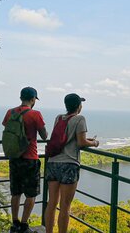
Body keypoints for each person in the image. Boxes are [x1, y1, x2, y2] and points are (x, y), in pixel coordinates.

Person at [44, 93, 99, 233]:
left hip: (52, 162)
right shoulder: (80, 119)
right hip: (69, 164)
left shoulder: (58, 118)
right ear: (78, 106)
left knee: (52, 203)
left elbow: (62, 137)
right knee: (65, 206)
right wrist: (94, 143)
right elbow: (81, 142)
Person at [2, 87, 48, 233]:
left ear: (21, 97)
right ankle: (23, 225)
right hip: (30, 159)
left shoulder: (11, 112)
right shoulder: (35, 114)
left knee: (16, 193)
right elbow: (44, 136)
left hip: (14, 158)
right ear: (33, 99)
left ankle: (14, 224)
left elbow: (6, 127)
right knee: (31, 194)